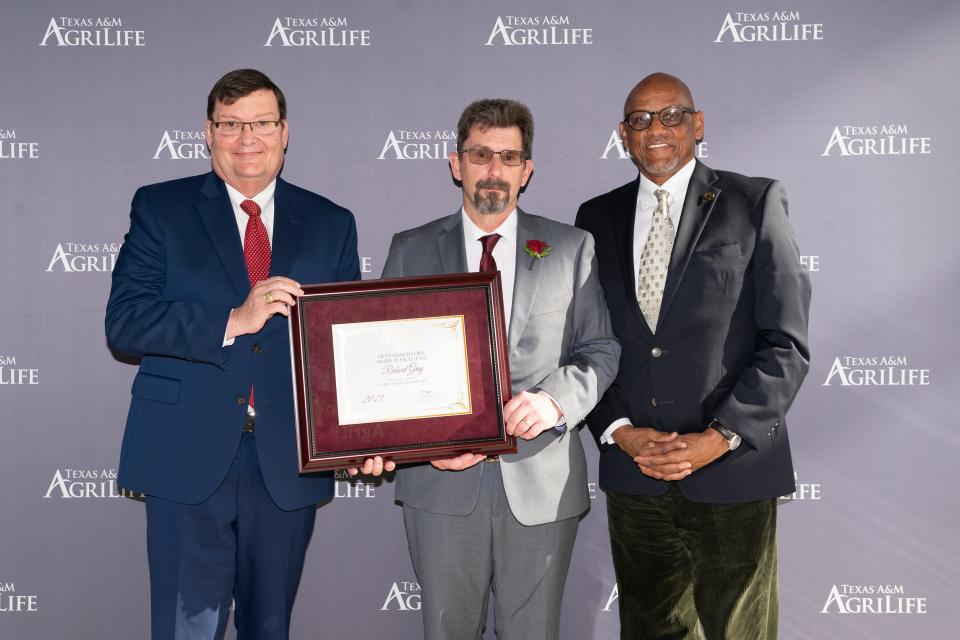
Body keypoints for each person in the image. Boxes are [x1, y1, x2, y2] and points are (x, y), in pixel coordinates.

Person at [105, 68, 383, 639]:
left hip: (286, 461)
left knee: (270, 628)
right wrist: (233, 320)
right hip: (186, 453)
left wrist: (363, 437)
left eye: (260, 123)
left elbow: (341, 353)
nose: (246, 138)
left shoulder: (332, 223)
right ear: (208, 134)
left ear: (285, 133)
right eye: (230, 125)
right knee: (186, 630)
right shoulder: (161, 208)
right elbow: (125, 321)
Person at [575, 73, 811, 639]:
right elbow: (583, 346)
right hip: (637, 475)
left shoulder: (754, 201)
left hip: (733, 470)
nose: (655, 129)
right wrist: (621, 432)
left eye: (671, 115)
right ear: (623, 135)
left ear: (698, 124)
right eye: (639, 120)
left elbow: (786, 344)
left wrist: (719, 437)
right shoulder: (594, 218)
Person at [380, 98, 620, 639]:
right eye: (481, 154)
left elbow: (600, 350)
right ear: (455, 163)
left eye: (509, 157)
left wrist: (553, 401)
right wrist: (424, 443)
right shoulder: (411, 249)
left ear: (526, 170)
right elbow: (390, 364)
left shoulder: (570, 246)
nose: (494, 170)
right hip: (439, 485)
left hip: (539, 482)